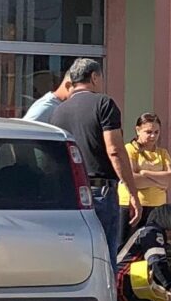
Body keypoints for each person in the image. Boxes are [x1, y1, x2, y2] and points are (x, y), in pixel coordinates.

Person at [52, 58, 135, 255]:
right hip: (100, 191)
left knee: (76, 252)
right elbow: (114, 150)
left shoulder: (58, 111)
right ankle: (105, 287)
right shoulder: (104, 104)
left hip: (69, 191)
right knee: (104, 253)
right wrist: (132, 191)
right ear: (95, 77)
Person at [120, 112, 171, 226]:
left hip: (158, 207)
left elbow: (169, 179)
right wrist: (159, 180)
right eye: (148, 132)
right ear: (138, 130)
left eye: (156, 132)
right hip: (133, 206)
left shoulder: (163, 153)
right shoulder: (130, 149)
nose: (153, 136)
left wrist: (144, 173)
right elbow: (133, 180)